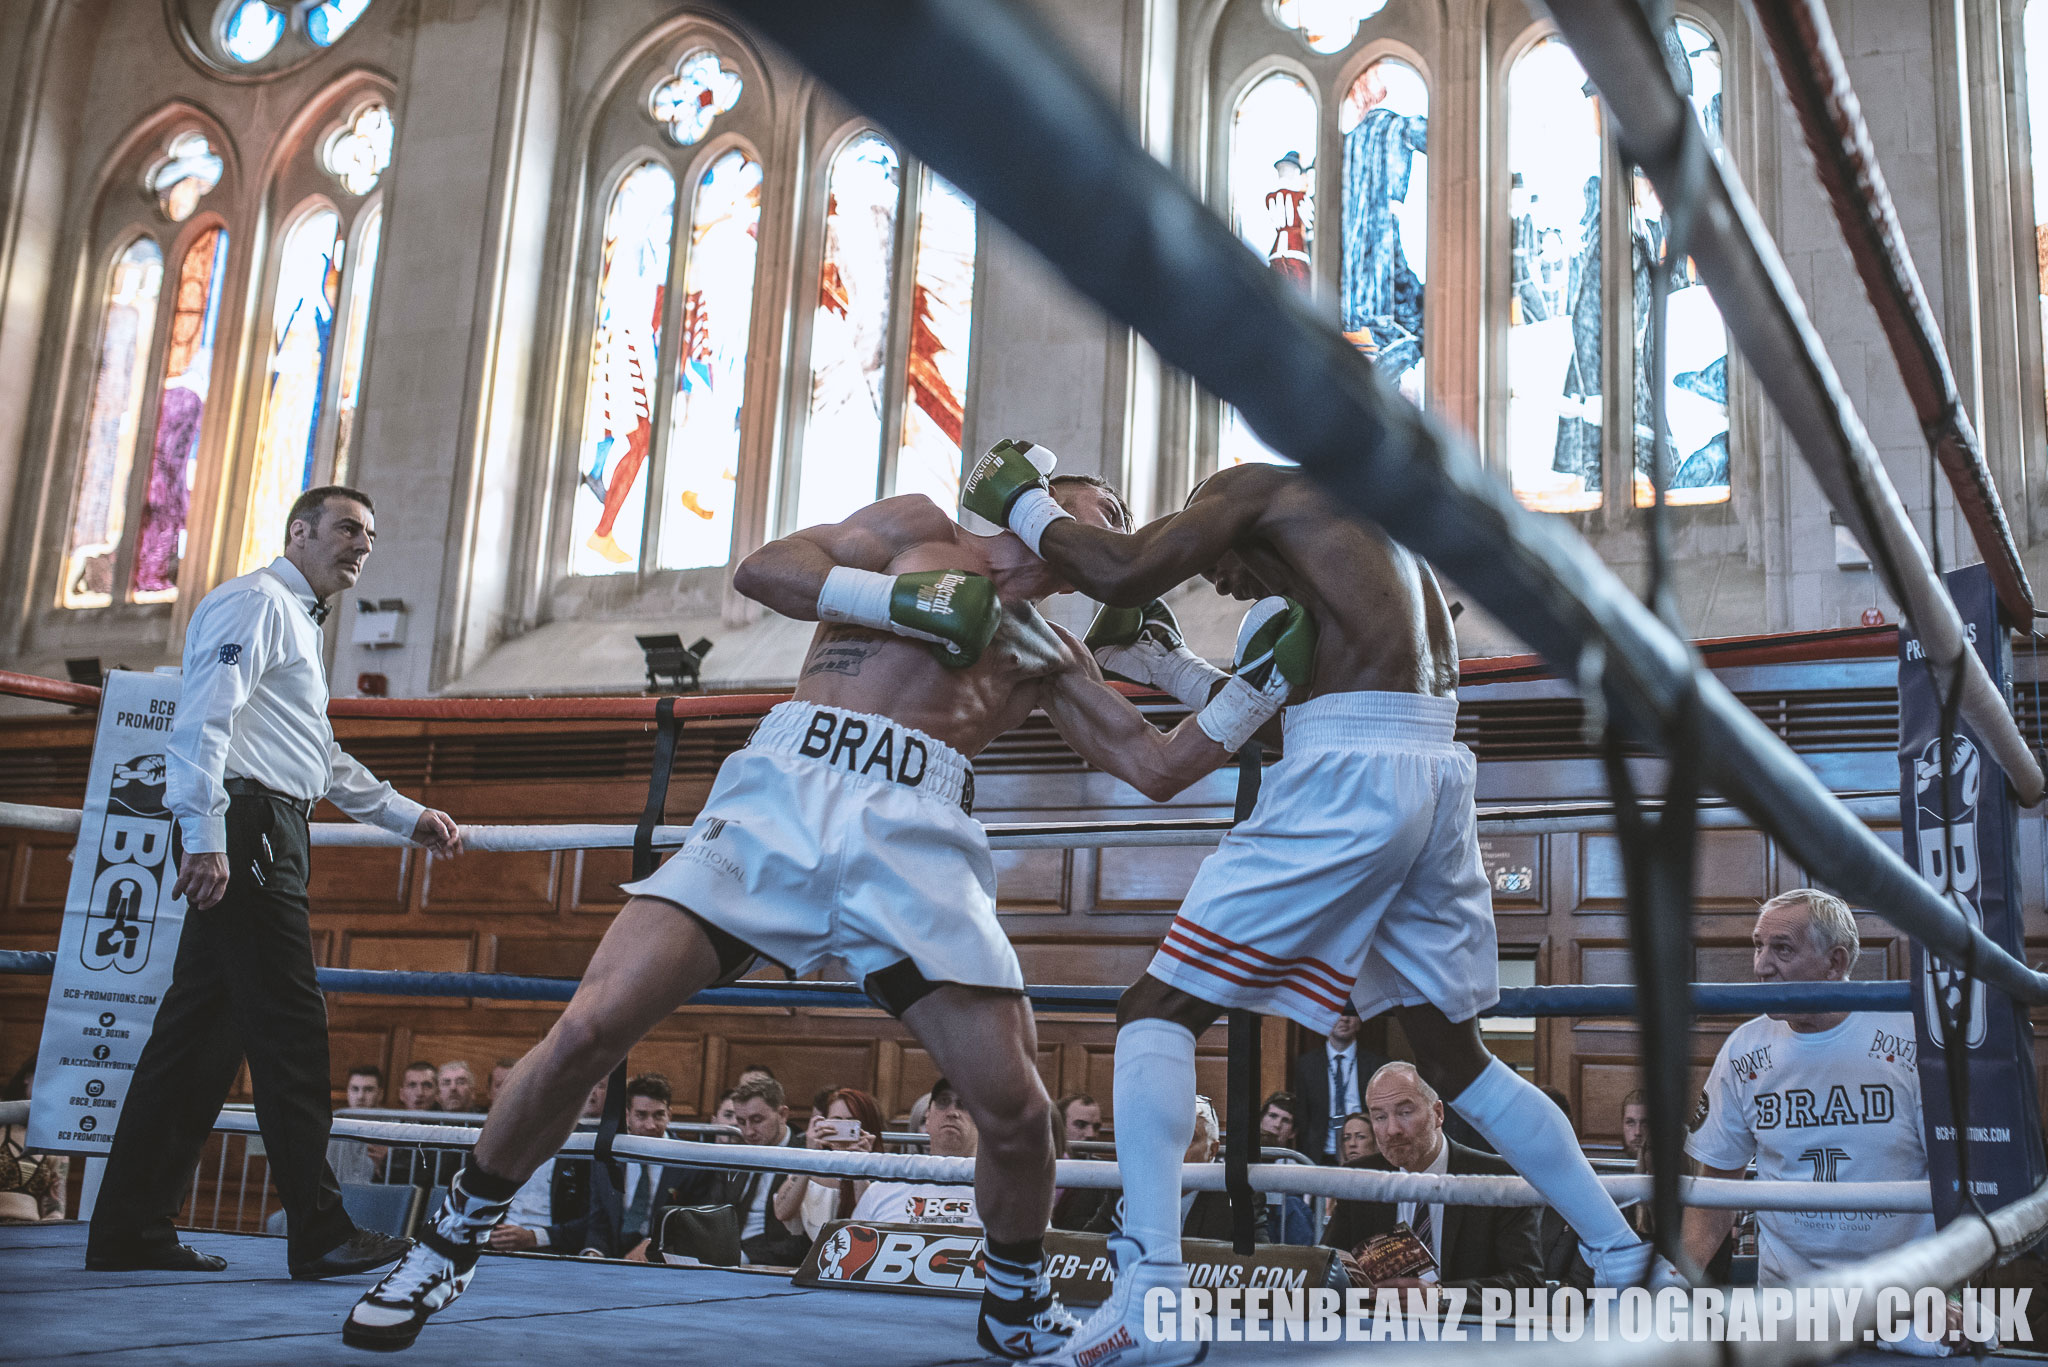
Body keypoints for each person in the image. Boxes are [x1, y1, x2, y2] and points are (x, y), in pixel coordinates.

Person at [345, 468, 1267, 1357]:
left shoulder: (1049, 649)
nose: (1115, 522)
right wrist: (897, 603)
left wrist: (1242, 689)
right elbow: (765, 570)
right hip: (785, 791)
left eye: (1121, 521)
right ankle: (449, 1242)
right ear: (1044, 498)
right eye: (1103, 503)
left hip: (920, 833)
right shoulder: (914, 528)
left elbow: (1154, 768)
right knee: (591, 1023)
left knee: (1019, 1108)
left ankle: (1016, 1304)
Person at [962, 448, 1672, 1365]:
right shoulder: (1372, 549)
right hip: (1433, 770)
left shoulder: (1251, 487)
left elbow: (1126, 567)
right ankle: (1625, 1258)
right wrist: (1166, 665)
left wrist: (1016, 501)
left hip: (1350, 776)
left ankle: (1152, 1298)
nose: (1218, 577)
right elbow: (1288, 707)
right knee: (1455, 1056)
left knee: (1154, 1009)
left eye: (1214, 559)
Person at [88, 484, 460, 1280]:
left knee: (196, 1043)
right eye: (348, 529)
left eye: (370, 534)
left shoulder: (296, 621)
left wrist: (407, 815)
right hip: (245, 827)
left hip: (269, 825)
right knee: (291, 1032)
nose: (361, 546)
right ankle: (321, 1229)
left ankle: (128, 1225)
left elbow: (317, 758)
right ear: (299, 532)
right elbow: (202, 721)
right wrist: (203, 834)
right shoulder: (254, 601)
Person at [1683, 891, 1941, 1294]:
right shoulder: (1744, 1050)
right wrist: (1667, 1289)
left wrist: (1953, 1289)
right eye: (1758, 946)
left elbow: (1963, 1185)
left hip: (1908, 1298)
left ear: (1834, 963)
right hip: (1790, 1305)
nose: (1761, 966)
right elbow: (1716, 1191)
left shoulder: (1909, 1038)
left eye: (1782, 949)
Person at [1322, 1064, 1543, 1298]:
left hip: (1467, 1329)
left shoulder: (1498, 1177)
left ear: (1438, 1113)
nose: (1392, 1130)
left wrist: (1442, 1297)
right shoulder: (1359, 1178)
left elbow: (1527, 1283)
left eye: (1405, 1112)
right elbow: (1326, 1269)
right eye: (1379, 1117)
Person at [490, 1074, 688, 1260]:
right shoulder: (607, 1155)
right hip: (608, 1255)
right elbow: (599, 1220)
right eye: (642, 1115)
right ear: (627, 1115)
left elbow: (692, 1224)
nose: (650, 1125)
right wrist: (593, 1253)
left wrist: (652, 1244)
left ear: (669, 1114)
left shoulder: (689, 1162)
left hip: (660, 1257)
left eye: (659, 1115)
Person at [1085, 1095, 1261, 1245]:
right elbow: (1086, 1248)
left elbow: (1259, 1267)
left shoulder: (1238, 1197)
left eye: (1188, 1138)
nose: (1172, 1148)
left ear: (1212, 1151)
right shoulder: (1128, 1188)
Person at [671, 1076, 809, 1265]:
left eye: (757, 1120)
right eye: (742, 1122)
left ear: (783, 1114)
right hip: (725, 1257)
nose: (748, 1132)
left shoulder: (807, 1155)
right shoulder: (737, 1153)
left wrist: (740, 1256)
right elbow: (713, 1211)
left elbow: (796, 1243)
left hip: (772, 1264)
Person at [853, 1077, 982, 1227]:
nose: (952, 1112)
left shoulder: (1001, 1194)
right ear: (927, 1117)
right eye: (943, 1102)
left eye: (964, 1105)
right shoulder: (883, 1190)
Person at [775, 1087, 885, 1239]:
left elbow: (870, 1222)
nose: (844, 1129)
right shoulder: (814, 1164)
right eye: (837, 1121)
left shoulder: (881, 1168)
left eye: (851, 1122)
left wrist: (860, 1163)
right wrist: (811, 1156)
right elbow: (782, 1212)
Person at [1291, 1000, 1391, 1163]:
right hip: (1320, 1154)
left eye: (1350, 1014)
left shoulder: (1376, 1064)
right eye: (1337, 1013)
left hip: (1366, 1152)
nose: (1344, 1019)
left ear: (1359, 1022)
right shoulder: (1306, 1065)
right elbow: (1303, 1115)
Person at [1, 1060, 67, 1224]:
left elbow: (55, 1207)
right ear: (28, 1077)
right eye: (45, 1077)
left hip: (30, 1236)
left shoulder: (55, 1142)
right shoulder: (2, 1124)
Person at [1051, 1094, 1111, 1232]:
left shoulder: (1107, 1174)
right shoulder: (1039, 1167)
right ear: (1060, 1126)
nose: (1091, 1134)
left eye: (1096, 1127)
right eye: (1080, 1125)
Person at [328, 1065, 389, 1185]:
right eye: (355, 1089)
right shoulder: (333, 1126)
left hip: (377, 1197)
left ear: (380, 1094)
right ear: (347, 1092)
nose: (361, 1096)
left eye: (368, 1089)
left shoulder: (392, 1128)